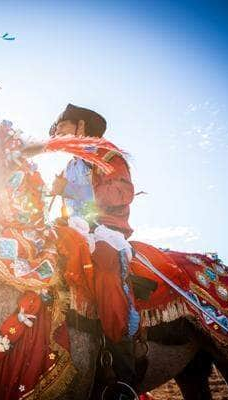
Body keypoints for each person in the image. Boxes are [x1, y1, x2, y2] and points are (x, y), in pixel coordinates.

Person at [50, 104, 139, 391]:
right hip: (73, 230)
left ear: (81, 128)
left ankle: (123, 364)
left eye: (61, 127)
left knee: (104, 265)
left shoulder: (108, 155)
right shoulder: (70, 166)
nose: (55, 133)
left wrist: (69, 190)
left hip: (106, 231)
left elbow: (121, 192)